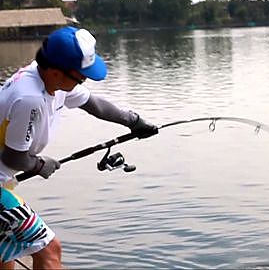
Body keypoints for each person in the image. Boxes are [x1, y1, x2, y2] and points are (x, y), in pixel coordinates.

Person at [0, 26, 158, 269]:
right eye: (80, 77)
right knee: (49, 248)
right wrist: (40, 165)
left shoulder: (46, 78)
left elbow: (94, 104)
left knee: (8, 249)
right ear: (55, 73)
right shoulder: (30, 99)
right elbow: (13, 157)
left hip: (4, 179)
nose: (83, 81)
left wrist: (134, 122)